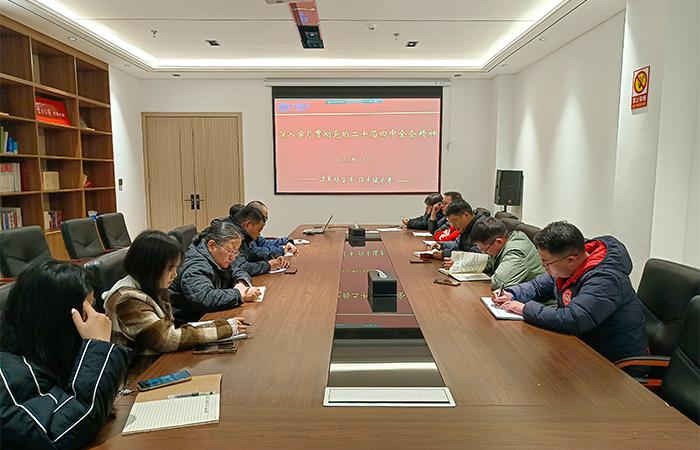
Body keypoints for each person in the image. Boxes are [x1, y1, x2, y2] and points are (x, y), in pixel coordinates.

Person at [0, 261, 132, 449]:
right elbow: (56, 437)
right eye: (85, 313)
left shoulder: (45, 354)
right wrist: (98, 348)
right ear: (56, 319)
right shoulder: (8, 373)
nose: (96, 319)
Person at [491, 221, 648, 362]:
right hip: (582, 347)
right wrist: (511, 293)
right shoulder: (568, 268)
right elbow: (538, 286)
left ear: (571, 260)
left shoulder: (605, 280)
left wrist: (524, 308)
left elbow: (573, 319)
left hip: (614, 362)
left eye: (546, 263)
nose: (544, 268)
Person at [104, 230, 247, 370]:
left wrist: (223, 324)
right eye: (170, 269)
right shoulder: (127, 300)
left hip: (161, 362)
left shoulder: (150, 285)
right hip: (142, 373)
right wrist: (225, 329)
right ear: (150, 267)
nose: (175, 275)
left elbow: (169, 330)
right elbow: (168, 338)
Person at [169, 221, 261, 326]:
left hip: (208, 316)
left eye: (235, 251)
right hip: (190, 325)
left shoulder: (217, 257)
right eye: (230, 250)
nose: (233, 257)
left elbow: (237, 270)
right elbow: (205, 299)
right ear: (212, 245)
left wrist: (240, 283)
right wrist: (240, 294)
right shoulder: (195, 266)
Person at [472, 217, 545, 289]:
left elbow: (498, 283)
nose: (485, 253)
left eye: (485, 250)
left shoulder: (516, 253)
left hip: (537, 295)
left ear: (499, 242)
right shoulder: (502, 243)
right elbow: (487, 263)